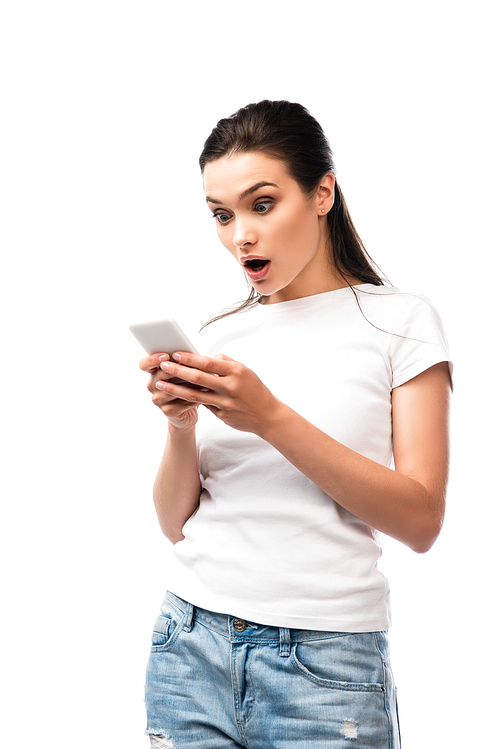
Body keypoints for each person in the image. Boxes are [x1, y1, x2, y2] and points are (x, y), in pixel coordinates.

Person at [139, 100, 452, 749]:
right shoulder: (222, 332)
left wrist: (272, 418)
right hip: (189, 642)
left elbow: (421, 520)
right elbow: (176, 523)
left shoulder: (401, 322)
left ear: (322, 193)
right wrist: (180, 427)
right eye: (221, 215)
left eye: (261, 204)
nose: (240, 236)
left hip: (324, 664)